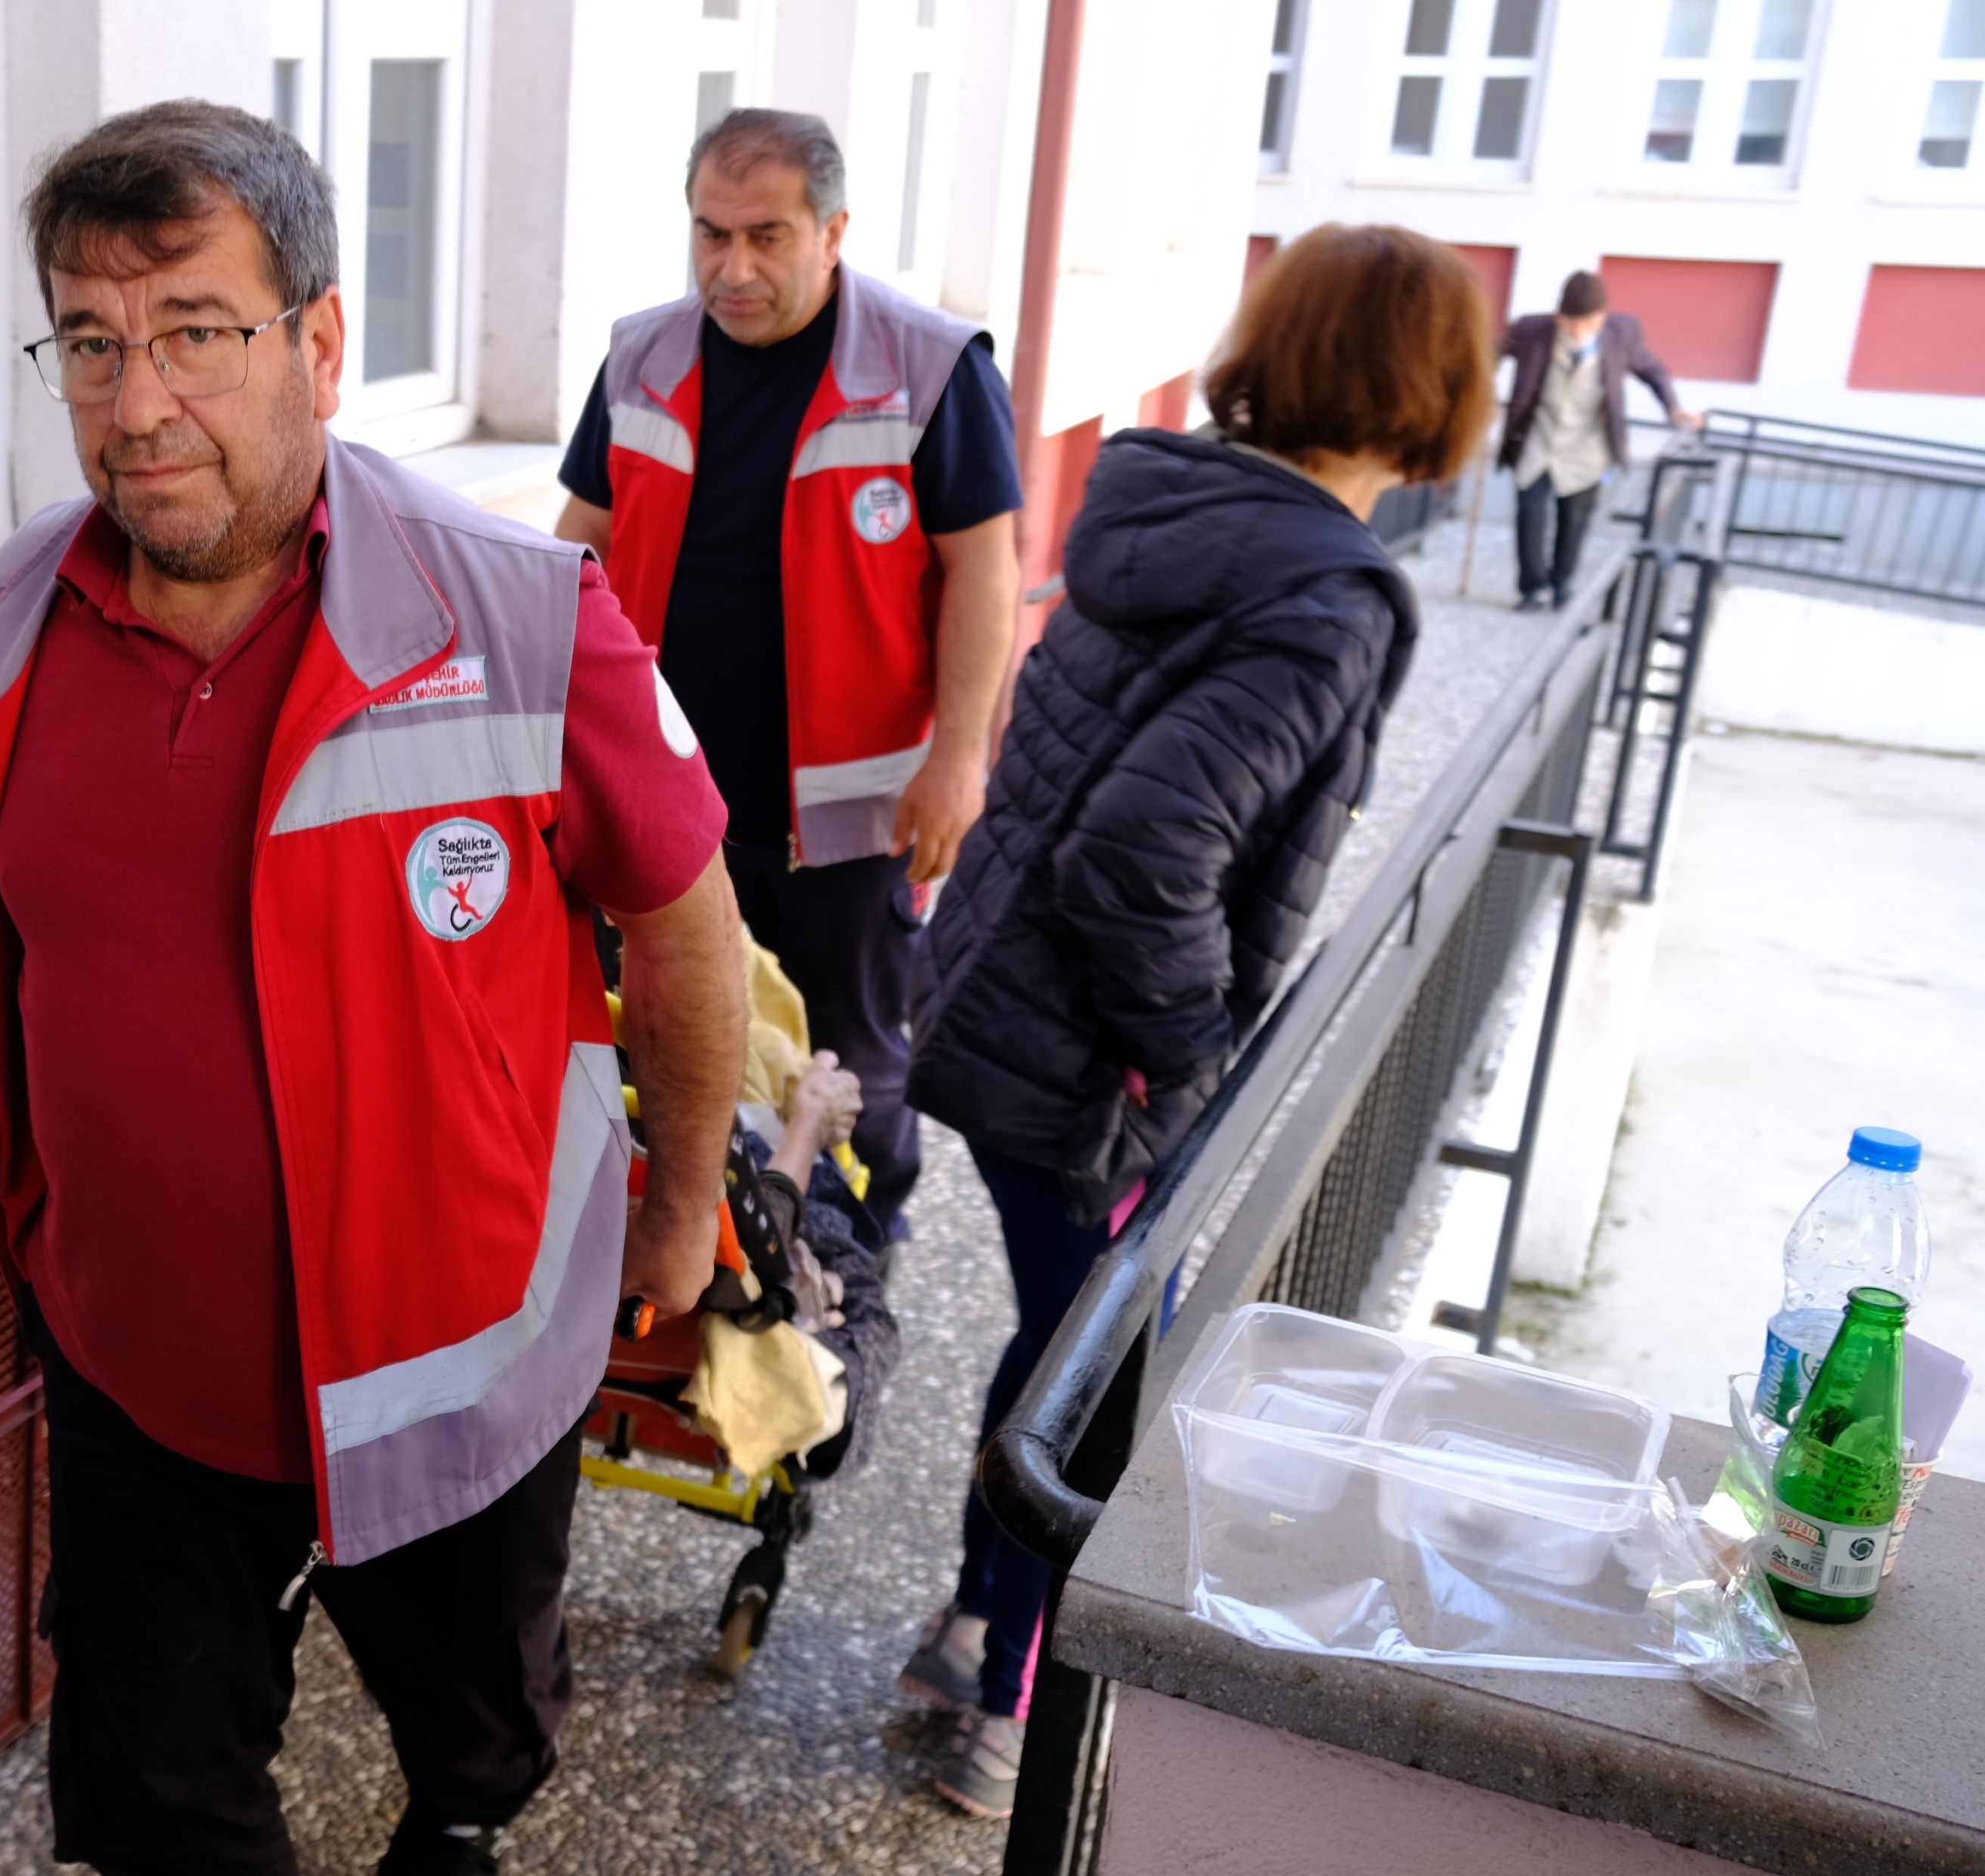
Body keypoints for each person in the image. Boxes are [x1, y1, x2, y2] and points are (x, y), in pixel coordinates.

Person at [0, 102, 749, 1876]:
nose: (135, 402)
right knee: (149, 1799)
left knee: (472, 1745)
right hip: (138, 1374)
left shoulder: (522, 618)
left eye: (195, 333)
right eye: (88, 341)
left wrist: (677, 1207)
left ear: (318, 339)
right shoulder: (5, 629)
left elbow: (684, 920)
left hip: (459, 1384)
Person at [899, 223, 1497, 1818]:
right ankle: (1004, 1680)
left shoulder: (1170, 497)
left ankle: (971, 1629)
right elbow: (1145, 848)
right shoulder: (1330, 594)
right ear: (1427, 392)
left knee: (1053, 1346)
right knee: (1092, 1387)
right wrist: (1195, 1044)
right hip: (1088, 1060)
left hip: (996, 1002)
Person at [553, 109, 1024, 1249]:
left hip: (848, 819)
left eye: (766, 236)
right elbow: (577, 551)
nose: (734, 267)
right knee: (665, 1039)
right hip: (667, 805)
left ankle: (850, 1275)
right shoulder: (643, 356)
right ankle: (699, 1270)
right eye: (711, 235)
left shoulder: (928, 366)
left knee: (850, 1056)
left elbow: (985, 574)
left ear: (834, 230)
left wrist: (960, 756)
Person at [1500, 268, 1696, 611]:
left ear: (1601, 318)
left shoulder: (1621, 335)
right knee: (1529, 512)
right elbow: (1487, 352)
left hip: (1588, 445)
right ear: (1558, 317)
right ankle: (1532, 589)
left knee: (1574, 517)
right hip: (1538, 439)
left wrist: (1674, 409)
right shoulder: (1533, 331)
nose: (1578, 331)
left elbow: (1653, 372)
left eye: (1587, 323)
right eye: (1570, 323)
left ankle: (1562, 582)